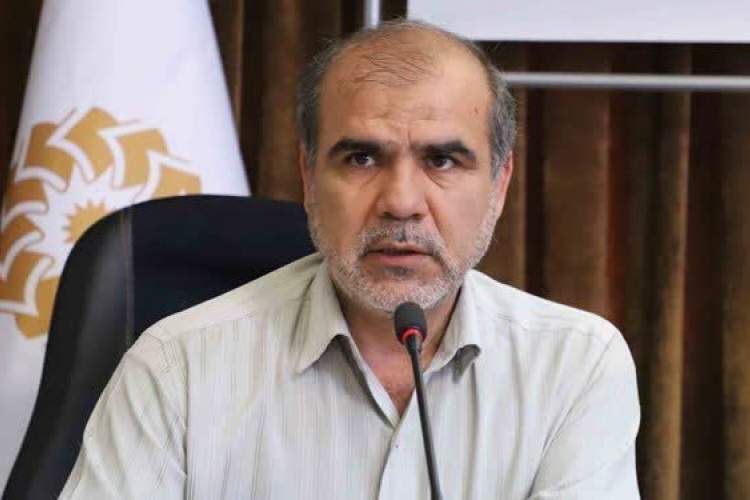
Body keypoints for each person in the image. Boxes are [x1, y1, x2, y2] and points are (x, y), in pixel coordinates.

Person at [60, 20, 640, 499]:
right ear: (309, 176)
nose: (401, 202)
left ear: (499, 184)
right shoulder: (176, 367)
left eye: (442, 160)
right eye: (362, 158)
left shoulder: (574, 365)